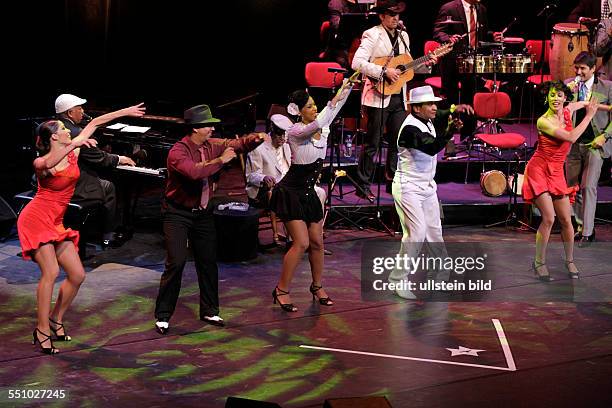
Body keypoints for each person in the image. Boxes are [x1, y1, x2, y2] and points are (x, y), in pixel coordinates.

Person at [17, 103, 146, 354]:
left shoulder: (73, 152)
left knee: (77, 275)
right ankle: (42, 330)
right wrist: (74, 145)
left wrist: (124, 112)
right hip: (36, 219)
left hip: (56, 222)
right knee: (51, 272)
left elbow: (94, 124)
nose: (69, 131)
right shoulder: (41, 161)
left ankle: (56, 319)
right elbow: (51, 161)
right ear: (54, 136)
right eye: (64, 129)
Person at [154, 105, 265, 334]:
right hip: (178, 214)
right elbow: (195, 172)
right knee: (176, 262)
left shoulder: (211, 145)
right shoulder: (178, 151)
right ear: (195, 128)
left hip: (203, 213)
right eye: (208, 126)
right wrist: (222, 161)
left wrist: (255, 139)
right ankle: (163, 315)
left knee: (208, 261)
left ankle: (209, 310)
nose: (212, 129)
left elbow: (236, 144)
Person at [269, 78, 354, 312]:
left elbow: (331, 112)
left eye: (315, 104)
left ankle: (317, 287)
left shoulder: (321, 127)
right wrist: (334, 99)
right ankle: (281, 290)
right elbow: (322, 119)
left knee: (317, 242)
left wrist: (346, 88)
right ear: (298, 111)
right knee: (301, 243)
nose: (314, 108)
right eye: (309, 106)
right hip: (291, 192)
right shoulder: (297, 131)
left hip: (309, 192)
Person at [391, 85, 472, 299]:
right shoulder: (409, 129)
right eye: (430, 104)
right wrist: (450, 132)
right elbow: (430, 146)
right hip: (408, 187)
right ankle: (398, 279)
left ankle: (440, 275)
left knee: (434, 231)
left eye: (434, 103)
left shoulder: (427, 119)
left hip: (427, 186)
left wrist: (456, 110)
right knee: (416, 233)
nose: (435, 107)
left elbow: (444, 113)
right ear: (417, 108)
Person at [522, 80, 605, 281]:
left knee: (567, 220)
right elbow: (570, 137)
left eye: (559, 95)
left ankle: (569, 260)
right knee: (549, 218)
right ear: (547, 97)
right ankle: (539, 262)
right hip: (539, 170)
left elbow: (585, 103)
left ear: (565, 98)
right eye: (551, 95)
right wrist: (590, 116)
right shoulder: (544, 121)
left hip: (557, 172)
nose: (555, 98)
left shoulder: (567, 110)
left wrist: (599, 106)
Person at [55, 93, 136, 247]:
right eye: (79, 109)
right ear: (70, 113)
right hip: (71, 186)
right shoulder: (74, 133)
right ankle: (107, 234)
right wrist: (119, 158)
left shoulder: (49, 126)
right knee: (109, 186)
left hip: (52, 181)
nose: (83, 111)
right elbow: (99, 158)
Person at [351, 0, 410, 201]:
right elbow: (357, 63)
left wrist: (427, 63)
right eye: (391, 15)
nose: (395, 18)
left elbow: (406, 65)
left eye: (398, 15)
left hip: (398, 97)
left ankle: (391, 180)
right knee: (372, 143)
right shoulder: (372, 34)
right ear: (382, 16)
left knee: (397, 141)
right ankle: (363, 184)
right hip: (378, 95)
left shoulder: (404, 36)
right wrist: (384, 71)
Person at [433, 0, 502, 156]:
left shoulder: (481, 8)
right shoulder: (449, 7)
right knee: (449, 99)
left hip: (471, 61)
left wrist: (493, 35)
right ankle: (447, 139)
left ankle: (468, 138)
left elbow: (482, 32)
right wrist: (448, 38)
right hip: (451, 60)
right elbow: (438, 32)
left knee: (470, 98)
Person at [564, 52, 612, 247]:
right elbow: (560, 109)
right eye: (576, 68)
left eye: (583, 68)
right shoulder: (569, 85)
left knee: (588, 185)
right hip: (574, 143)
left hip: (595, 144)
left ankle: (588, 232)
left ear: (593, 69)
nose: (579, 72)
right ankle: (578, 226)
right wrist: (568, 95)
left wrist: (605, 135)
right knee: (573, 187)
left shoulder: (607, 87)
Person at [245, 114, 293, 245]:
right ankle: (288, 235)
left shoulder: (287, 146)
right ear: (272, 132)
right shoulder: (258, 148)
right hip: (265, 191)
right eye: (279, 136)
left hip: (287, 186)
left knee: (317, 192)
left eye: (285, 135)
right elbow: (251, 176)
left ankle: (307, 235)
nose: (283, 139)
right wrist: (264, 177)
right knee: (285, 194)